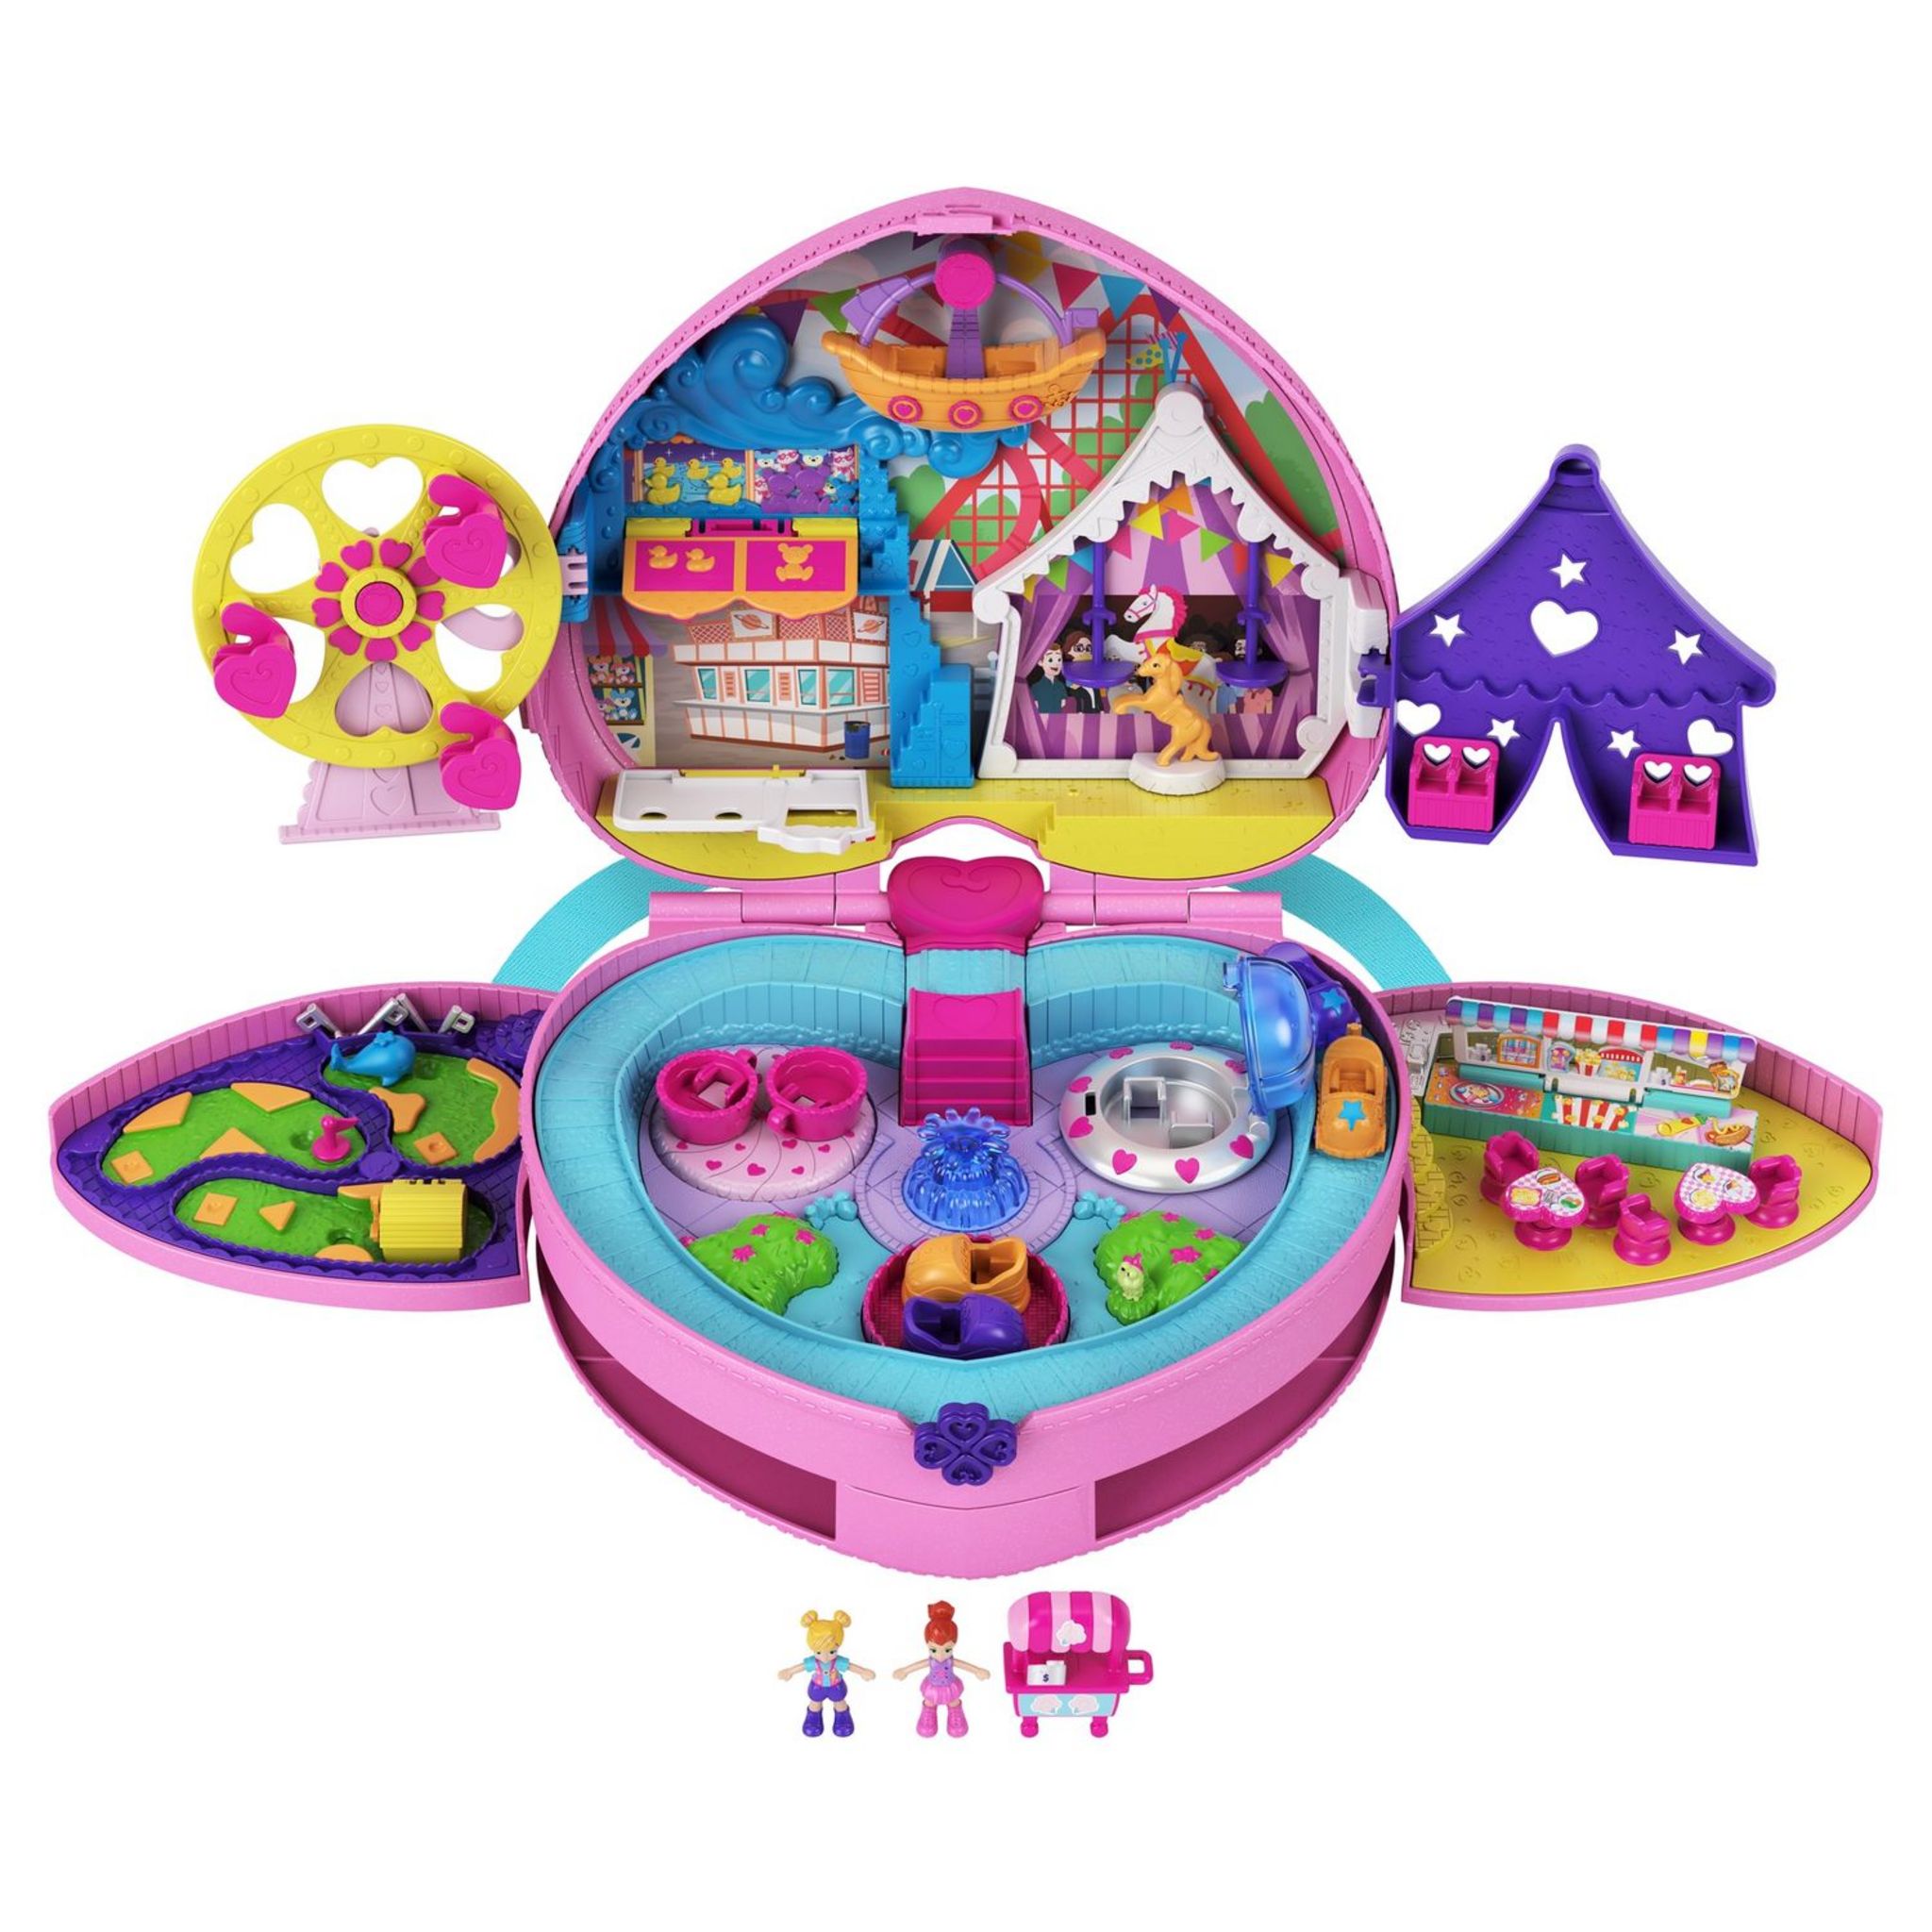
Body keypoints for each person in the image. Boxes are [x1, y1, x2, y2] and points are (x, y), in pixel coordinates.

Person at [891, 1601, 991, 1739]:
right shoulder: (931, 1661)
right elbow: (918, 1665)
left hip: (950, 1686)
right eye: (934, 1650)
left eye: (947, 1650)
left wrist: (977, 1670)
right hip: (933, 1687)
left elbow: (964, 1665)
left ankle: (955, 1715)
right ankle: (928, 1715)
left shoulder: (951, 1661)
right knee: (929, 1702)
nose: (940, 1655)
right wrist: (905, 1670)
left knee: (954, 1701)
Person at [777, 1609, 874, 1737]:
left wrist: (863, 1672)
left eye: (831, 1652)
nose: (824, 1657)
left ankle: (842, 1718)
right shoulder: (814, 1662)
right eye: (818, 1652)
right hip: (817, 1687)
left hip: (836, 1686)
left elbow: (850, 1666)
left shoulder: (838, 1662)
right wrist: (789, 1671)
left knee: (840, 1703)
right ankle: (813, 1718)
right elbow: (802, 1666)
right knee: (815, 1703)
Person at [1029, 642, 1071, 714]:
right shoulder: (1036, 687)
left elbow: (1063, 703)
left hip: (1058, 718)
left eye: (1059, 660)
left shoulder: (1060, 686)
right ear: (1040, 662)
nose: (1056, 664)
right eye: (1050, 660)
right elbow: (1035, 706)